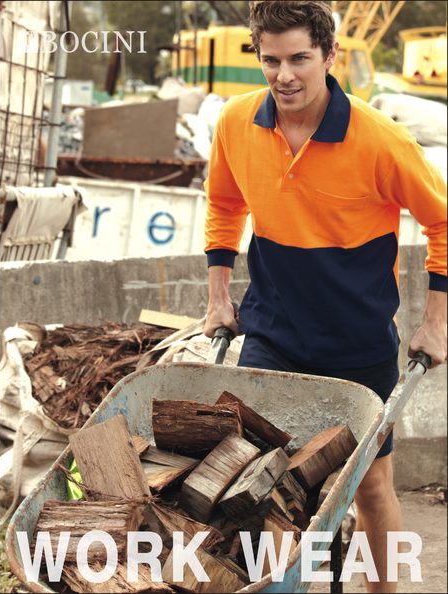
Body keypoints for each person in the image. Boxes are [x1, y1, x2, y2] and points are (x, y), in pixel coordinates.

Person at [203, 1, 447, 592]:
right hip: (271, 334)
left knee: (371, 486)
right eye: (271, 60)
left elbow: (443, 223)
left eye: (299, 59)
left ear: (330, 55)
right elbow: (224, 205)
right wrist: (218, 297)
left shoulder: (381, 139)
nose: (284, 75)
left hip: (356, 342)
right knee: (260, 483)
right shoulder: (236, 121)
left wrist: (436, 322)